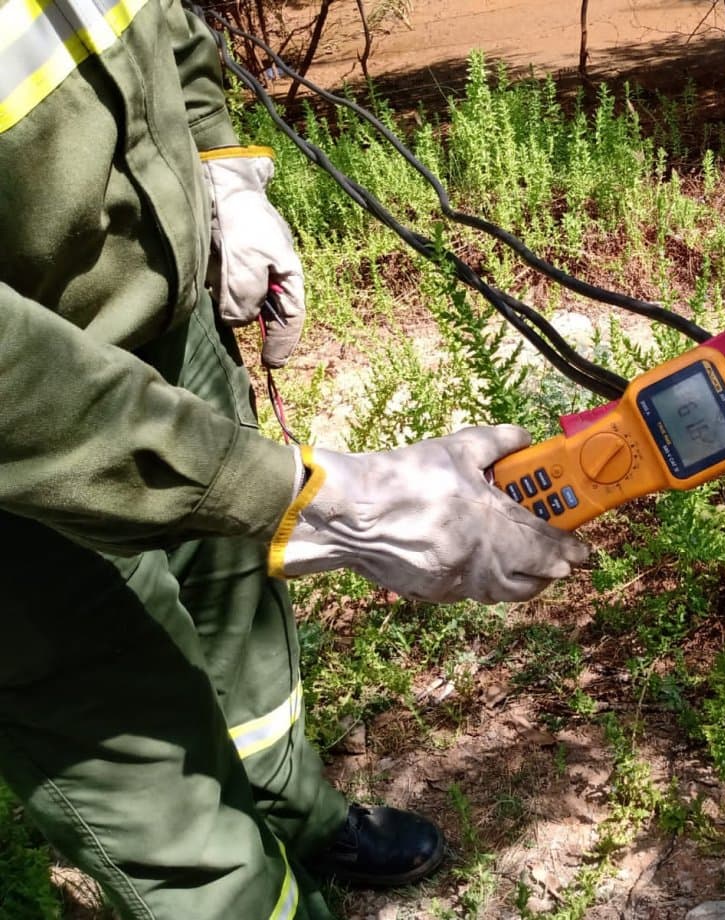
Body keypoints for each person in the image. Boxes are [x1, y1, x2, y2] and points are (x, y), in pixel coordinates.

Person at [0, 3, 589, 918]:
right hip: (21, 460)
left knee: (239, 619)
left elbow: (158, 29)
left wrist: (225, 174)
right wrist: (327, 501)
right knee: (146, 764)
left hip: (169, 336)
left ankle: (304, 817)